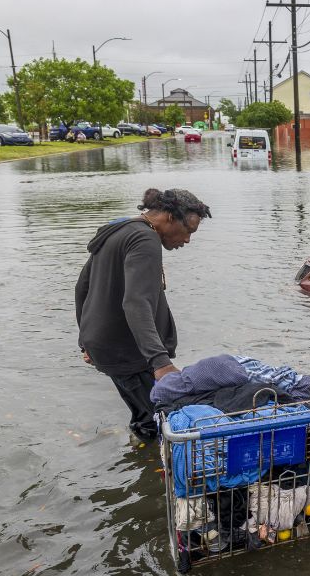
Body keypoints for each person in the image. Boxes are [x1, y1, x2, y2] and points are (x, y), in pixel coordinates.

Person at [75, 188, 212, 442]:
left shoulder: (119, 231)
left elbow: (82, 287)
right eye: (189, 230)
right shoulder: (145, 240)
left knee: (144, 415)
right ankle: (159, 471)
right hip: (129, 352)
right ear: (170, 217)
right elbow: (136, 303)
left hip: (106, 347)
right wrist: (161, 363)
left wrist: (86, 340)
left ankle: (142, 466)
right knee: (162, 422)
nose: (187, 240)